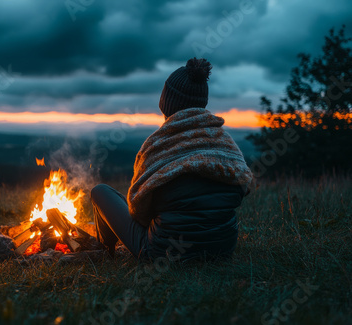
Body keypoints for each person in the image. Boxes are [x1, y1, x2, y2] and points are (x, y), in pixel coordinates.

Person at [90, 58, 255, 262]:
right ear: (202, 102)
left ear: (167, 102)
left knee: (100, 192)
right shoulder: (226, 145)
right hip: (222, 249)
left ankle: (105, 251)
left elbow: (138, 212)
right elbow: (241, 189)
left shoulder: (157, 146)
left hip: (163, 254)